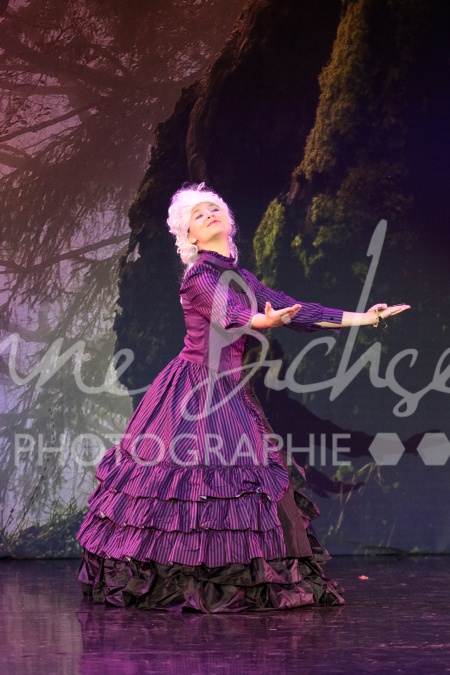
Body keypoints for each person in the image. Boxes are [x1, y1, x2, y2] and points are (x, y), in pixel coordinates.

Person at [76, 183, 410, 612]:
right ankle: (186, 579)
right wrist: (262, 321)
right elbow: (229, 315)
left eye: (214, 209)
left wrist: (366, 317)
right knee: (192, 485)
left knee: (243, 483)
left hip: (231, 388)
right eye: (199, 215)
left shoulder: (242, 277)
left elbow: (298, 311)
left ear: (228, 222)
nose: (210, 215)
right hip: (195, 389)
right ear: (190, 236)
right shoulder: (199, 276)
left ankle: (238, 579)